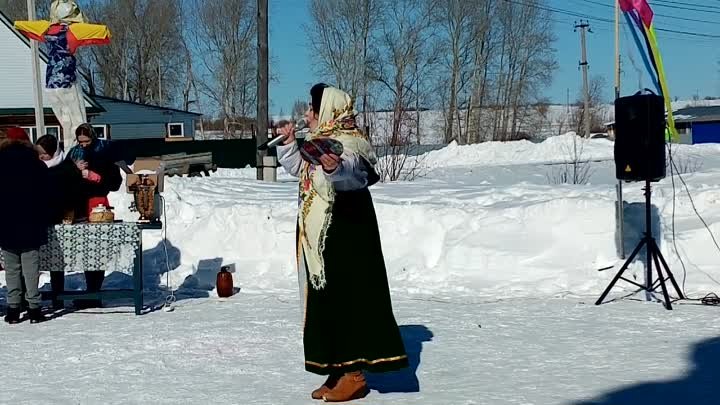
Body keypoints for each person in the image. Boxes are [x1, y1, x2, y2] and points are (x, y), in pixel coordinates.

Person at [276, 84, 408, 402]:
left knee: (349, 301)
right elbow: (300, 170)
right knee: (325, 303)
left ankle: (354, 374)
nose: (307, 113)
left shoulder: (350, 144)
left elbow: (352, 174)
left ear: (329, 112)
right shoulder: (317, 143)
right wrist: (290, 145)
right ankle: (335, 368)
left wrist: (334, 165)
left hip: (347, 236)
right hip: (321, 241)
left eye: (312, 108)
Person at [65, 123, 123, 308]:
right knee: (85, 248)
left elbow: (115, 182)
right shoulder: (74, 154)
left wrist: (95, 176)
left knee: (97, 247)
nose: (83, 145)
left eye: (86, 141)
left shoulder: (104, 153)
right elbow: (63, 177)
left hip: (97, 204)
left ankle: (94, 290)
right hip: (79, 205)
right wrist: (74, 171)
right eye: (80, 141)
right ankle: (91, 290)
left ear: (93, 138)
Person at [0, 128, 50, 324]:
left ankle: (13, 307)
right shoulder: (37, 164)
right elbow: (47, 194)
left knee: (11, 267)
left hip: (6, 221)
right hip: (31, 220)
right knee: (31, 267)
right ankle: (34, 308)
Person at [36, 134, 85, 309]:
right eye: (39, 153)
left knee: (57, 261)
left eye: (44, 154)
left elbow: (75, 192)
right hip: (42, 219)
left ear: (53, 152)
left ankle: (58, 295)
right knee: (36, 260)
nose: (41, 157)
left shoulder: (67, 167)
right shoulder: (37, 167)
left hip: (64, 218)